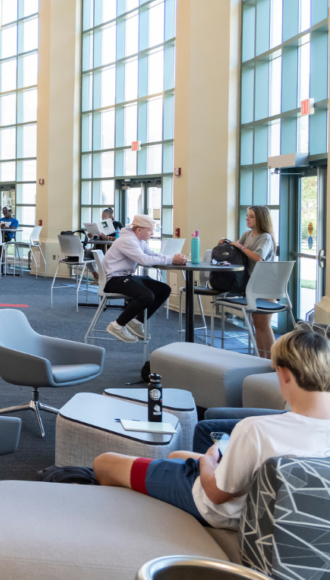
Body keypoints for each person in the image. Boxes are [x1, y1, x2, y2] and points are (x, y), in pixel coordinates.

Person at [93, 329, 330, 530]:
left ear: (285, 374)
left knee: (105, 462)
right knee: (177, 455)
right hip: (276, 512)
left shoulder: (256, 429)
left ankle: (117, 526)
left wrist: (209, 461)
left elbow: (217, 495)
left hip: (219, 510)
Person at [100, 215, 187, 342]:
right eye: (150, 230)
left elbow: (151, 254)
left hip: (125, 276)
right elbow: (144, 260)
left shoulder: (139, 241)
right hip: (114, 280)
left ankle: (136, 322)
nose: (152, 233)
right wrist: (172, 260)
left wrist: (172, 258)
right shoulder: (127, 240)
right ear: (139, 230)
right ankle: (117, 325)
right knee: (146, 296)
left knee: (164, 289)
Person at [220, 205, 277, 358]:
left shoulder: (265, 237)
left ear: (260, 219)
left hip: (265, 284)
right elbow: (237, 249)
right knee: (257, 325)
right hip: (252, 284)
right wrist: (227, 243)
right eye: (247, 215)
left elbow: (258, 258)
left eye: (251, 216)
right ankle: (262, 359)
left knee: (264, 324)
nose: (247, 218)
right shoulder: (247, 234)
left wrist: (240, 246)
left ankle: (272, 361)